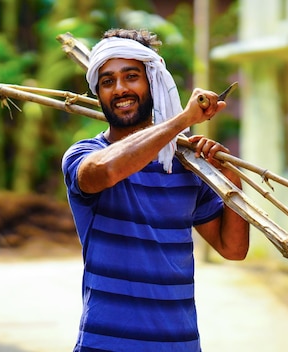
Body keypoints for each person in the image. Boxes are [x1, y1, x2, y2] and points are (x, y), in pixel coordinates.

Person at [61, 28, 250, 352]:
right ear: (98, 93)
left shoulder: (187, 164)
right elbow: (108, 170)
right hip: (105, 344)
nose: (120, 89)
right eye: (107, 81)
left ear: (152, 81)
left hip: (180, 344)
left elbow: (233, 248)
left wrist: (230, 174)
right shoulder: (83, 156)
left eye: (131, 76)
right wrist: (180, 122)